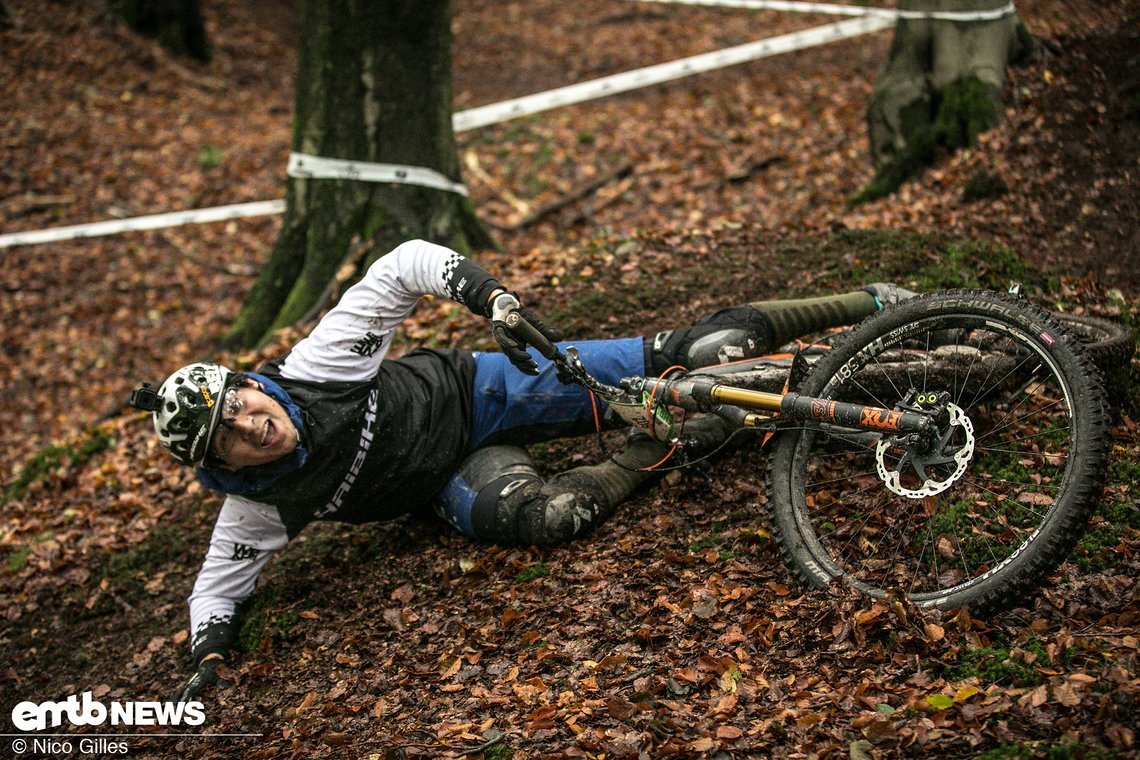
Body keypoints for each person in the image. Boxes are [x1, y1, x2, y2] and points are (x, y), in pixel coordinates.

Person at [130, 239, 908, 702]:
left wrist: (490, 298)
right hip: (450, 481)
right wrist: (209, 654)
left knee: (698, 355)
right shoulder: (258, 505)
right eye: (227, 436)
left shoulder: (316, 369)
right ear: (219, 465)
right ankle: (663, 441)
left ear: (246, 383)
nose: (249, 424)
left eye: (237, 402)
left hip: (480, 392)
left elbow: (402, 266)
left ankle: (870, 300)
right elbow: (217, 590)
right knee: (549, 518)